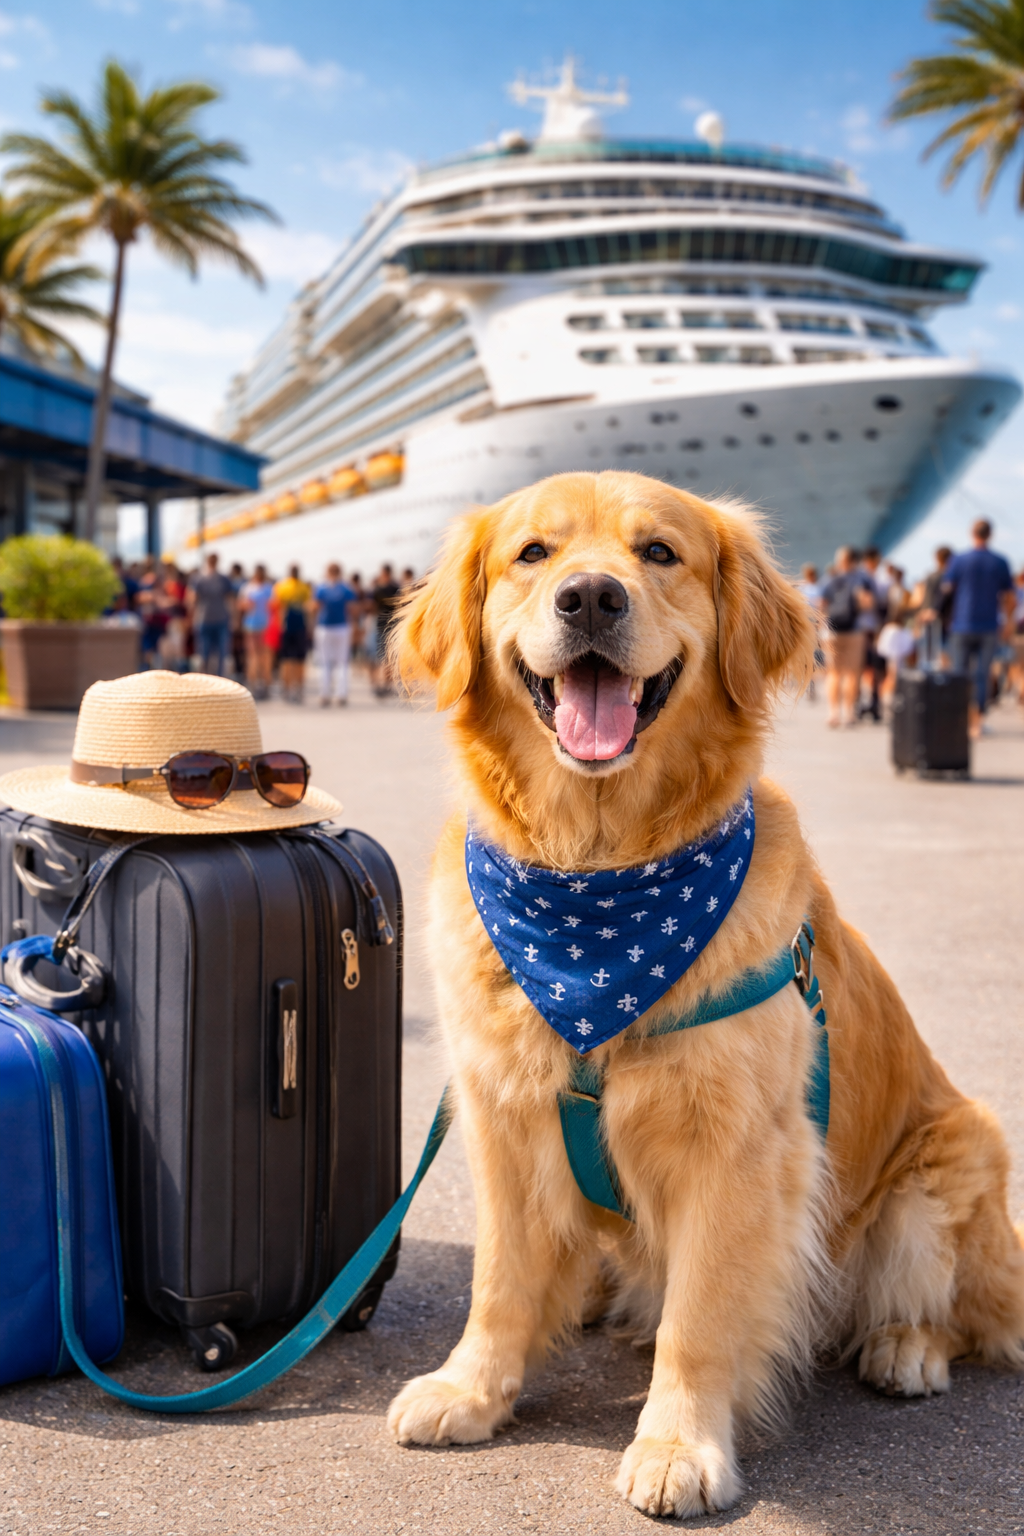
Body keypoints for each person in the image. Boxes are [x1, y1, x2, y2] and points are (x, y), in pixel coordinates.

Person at [943, 519, 1015, 738]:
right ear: (990, 535)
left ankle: (960, 719)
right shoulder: (1000, 561)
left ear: (971, 533)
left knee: (959, 673)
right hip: (989, 625)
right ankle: (978, 722)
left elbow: (947, 590)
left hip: (962, 624)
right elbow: (1009, 596)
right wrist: (1007, 621)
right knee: (983, 675)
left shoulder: (958, 560)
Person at [817, 546, 875, 728]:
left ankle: (833, 713)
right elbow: (868, 604)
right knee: (851, 673)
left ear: (841, 560)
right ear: (854, 561)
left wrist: (822, 627)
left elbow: (821, 605)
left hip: (832, 632)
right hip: (854, 631)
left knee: (833, 672)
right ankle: (849, 713)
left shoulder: (830, 578)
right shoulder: (862, 578)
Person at [313, 562, 356, 706]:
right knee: (342, 662)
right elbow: (352, 608)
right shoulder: (345, 588)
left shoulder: (321, 588)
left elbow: (315, 607)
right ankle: (341, 694)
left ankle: (324, 694)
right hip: (341, 626)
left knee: (325, 662)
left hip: (325, 626)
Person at [188, 552, 235, 677]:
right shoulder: (221, 579)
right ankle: (214, 678)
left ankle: (207, 677)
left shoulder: (199, 578)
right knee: (214, 653)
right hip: (214, 619)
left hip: (208, 618)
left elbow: (191, 600)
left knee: (208, 653)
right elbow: (230, 601)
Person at [273, 564, 312, 703]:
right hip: (299, 626)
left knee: (287, 660)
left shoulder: (282, 586)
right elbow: (308, 609)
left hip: (287, 626)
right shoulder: (304, 587)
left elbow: (277, 606)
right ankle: (297, 689)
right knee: (298, 660)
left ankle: (288, 689)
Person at [857, 547, 886, 722]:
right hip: (870, 629)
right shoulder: (872, 578)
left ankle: (860, 703)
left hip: (859, 628)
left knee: (861, 668)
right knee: (874, 667)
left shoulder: (857, 576)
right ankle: (873, 703)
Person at [239, 563, 274, 699]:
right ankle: (262, 685)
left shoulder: (249, 588)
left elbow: (241, 605)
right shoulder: (268, 588)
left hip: (254, 624)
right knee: (262, 656)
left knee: (254, 656)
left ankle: (255, 685)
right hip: (262, 624)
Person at [914, 546, 954, 668]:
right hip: (945, 620)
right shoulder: (949, 577)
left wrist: (922, 615)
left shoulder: (933, 576)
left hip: (931, 620)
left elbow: (926, 598)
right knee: (944, 654)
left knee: (929, 655)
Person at [371, 562, 401, 698]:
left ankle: (381, 684)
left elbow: (371, 607)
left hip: (381, 624)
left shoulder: (378, 589)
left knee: (381, 656)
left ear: (384, 573)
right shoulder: (396, 587)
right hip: (393, 624)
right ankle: (387, 685)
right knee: (389, 657)